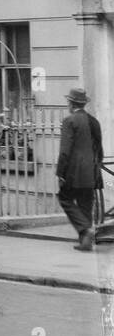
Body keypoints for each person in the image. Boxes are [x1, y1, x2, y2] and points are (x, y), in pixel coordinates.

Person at [57, 87, 102, 251]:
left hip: (74, 172)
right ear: (83, 104)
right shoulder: (94, 121)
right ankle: (86, 241)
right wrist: (96, 167)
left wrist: (60, 173)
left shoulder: (70, 121)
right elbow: (99, 149)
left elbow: (64, 151)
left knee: (64, 198)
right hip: (91, 171)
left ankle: (85, 229)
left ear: (71, 103)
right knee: (85, 204)